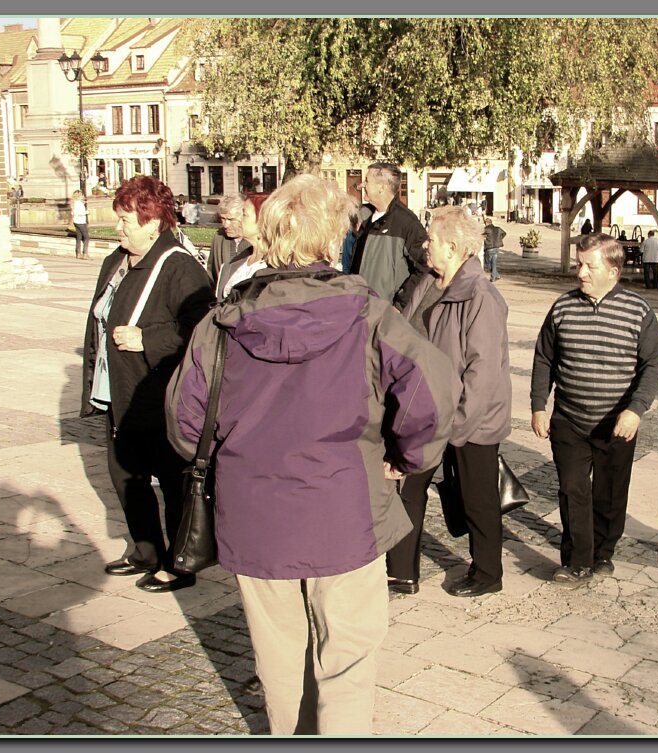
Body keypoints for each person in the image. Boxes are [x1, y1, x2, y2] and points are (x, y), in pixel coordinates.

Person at [166, 174, 456, 734]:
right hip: (343, 508)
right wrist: (407, 456)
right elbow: (430, 390)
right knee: (346, 659)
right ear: (332, 242)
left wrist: (235, 459)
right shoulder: (369, 315)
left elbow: (184, 421)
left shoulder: (221, 324)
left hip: (257, 512)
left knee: (278, 657)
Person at [80, 175, 214, 594]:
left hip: (157, 392)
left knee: (172, 481)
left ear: (153, 222)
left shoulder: (179, 266)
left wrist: (148, 339)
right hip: (117, 388)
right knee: (124, 474)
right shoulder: (117, 261)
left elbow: (201, 330)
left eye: (126, 221)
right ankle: (145, 549)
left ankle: (179, 560)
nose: (118, 228)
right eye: (118, 219)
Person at [386, 206, 512, 598]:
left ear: (454, 247)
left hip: (468, 417)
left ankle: (488, 572)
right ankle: (402, 571)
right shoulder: (427, 283)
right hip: (423, 409)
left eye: (432, 240)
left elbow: (483, 371)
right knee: (408, 485)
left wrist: (457, 425)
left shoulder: (480, 295)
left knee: (477, 496)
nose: (425, 246)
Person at [531, 234, 658, 583]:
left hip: (616, 423)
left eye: (590, 266)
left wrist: (636, 409)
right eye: (579, 264)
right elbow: (544, 357)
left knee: (609, 495)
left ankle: (604, 551)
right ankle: (577, 561)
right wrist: (538, 405)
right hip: (569, 420)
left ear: (614, 271)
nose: (581, 273)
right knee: (572, 490)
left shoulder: (638, 311)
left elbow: (652, 364)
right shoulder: (562, 307)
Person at [349, 162, 429, 309]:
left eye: (367, 181)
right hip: (359, 309)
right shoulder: (365, 217)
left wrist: (400, 304)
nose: (362, 185)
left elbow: (426, 268)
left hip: (384, 317)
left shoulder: (406, 223)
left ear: (382, 187)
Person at [214, 193, 271, 301]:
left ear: (262, 220)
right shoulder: (235, 263)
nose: (226, 225)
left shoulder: (278, 266)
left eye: (244, 214)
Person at [208, 193, 250, 287]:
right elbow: (211, 272)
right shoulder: (219, 237)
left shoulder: (256, 241)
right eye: (223, 218)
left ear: (245, 217)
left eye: (231, 219)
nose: (226, 225)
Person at [482, 215, 507, 283]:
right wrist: (499, 239)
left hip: (489, 247)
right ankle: (496, 275)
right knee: (494, 263)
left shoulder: (486, 229)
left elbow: (480, 234)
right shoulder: (498, 228)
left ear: (486, 223)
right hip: (496, 247)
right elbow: (504, 233)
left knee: (488, 263)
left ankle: (493, 277)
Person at [71, 190, 90, 260]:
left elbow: (73, 213)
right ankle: (85, 253)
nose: (83, 196)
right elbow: (80, 213)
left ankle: (78, 253)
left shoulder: (74, 203)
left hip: (76, 222)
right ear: (79, 196)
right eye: (82, 195)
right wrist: (87, 212)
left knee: (79, 237)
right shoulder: (79, 204)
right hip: (81, 222)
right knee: (86, 237)